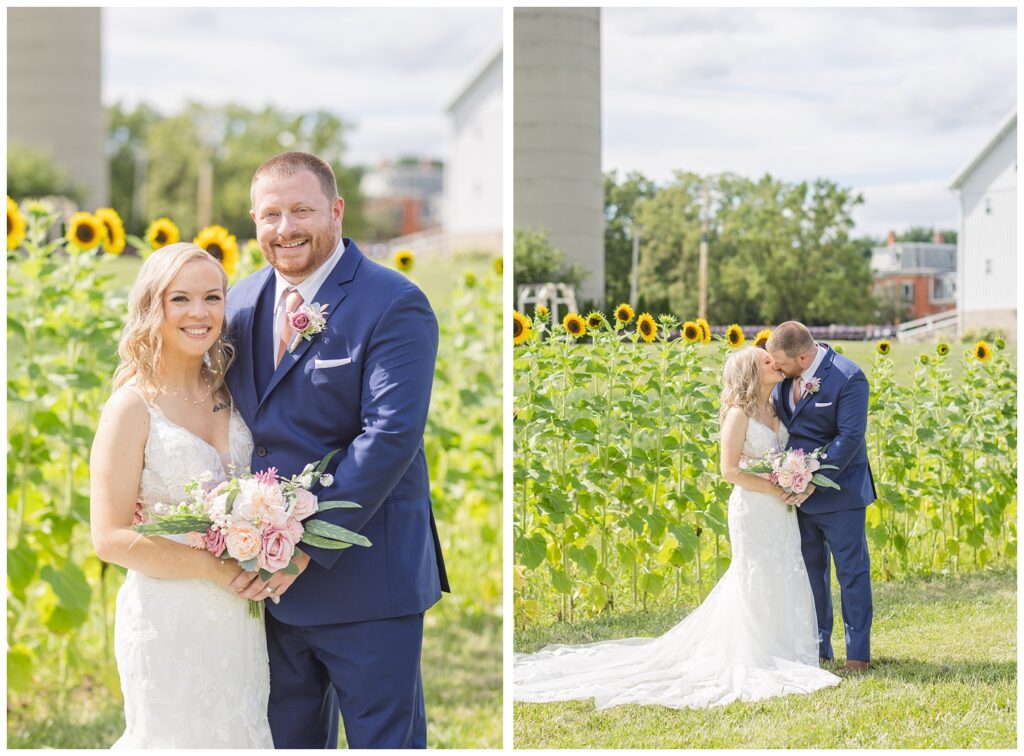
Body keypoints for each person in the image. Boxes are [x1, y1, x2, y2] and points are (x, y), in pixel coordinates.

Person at [223, 151, 449, 748]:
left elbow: (390, 436)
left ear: (336, 211)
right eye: (271, 214)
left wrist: (304, 546)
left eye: (302, 210)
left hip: (366, 577)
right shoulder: (238, 303)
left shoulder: (393, 302)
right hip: (263, 587)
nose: (286, 228)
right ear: (254, 219)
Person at [513, 347, 840, 709]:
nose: (775, 363)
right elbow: (729, 471)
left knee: (784, 571)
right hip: (754, 507)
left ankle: (787, 648)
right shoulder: (738, 414)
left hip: (780, 511)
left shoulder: (777, 408)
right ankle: (753, 651)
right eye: (766, 361)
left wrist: (794, 475)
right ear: (750, 372)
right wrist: (776, 487)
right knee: (756, 574)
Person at [90, 243, 273, 748]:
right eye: (181, 299)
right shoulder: (131, 407)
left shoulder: (232, 392)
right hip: (167, 616)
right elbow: (108, 538)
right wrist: (219, 569)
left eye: (213, 297)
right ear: (154, 307)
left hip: (242, 621)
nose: (200, 313)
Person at [766, 321, 875, 674]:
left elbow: (850, 436)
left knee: (852, 573)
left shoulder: (848, 377)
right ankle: (819, 649)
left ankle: (858, 655)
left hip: (840, 493)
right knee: (810, 573)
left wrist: (816, 478)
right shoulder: (783, 378)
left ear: (803, 355)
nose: (776, 368)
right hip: (796, 498)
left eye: (780, 362)